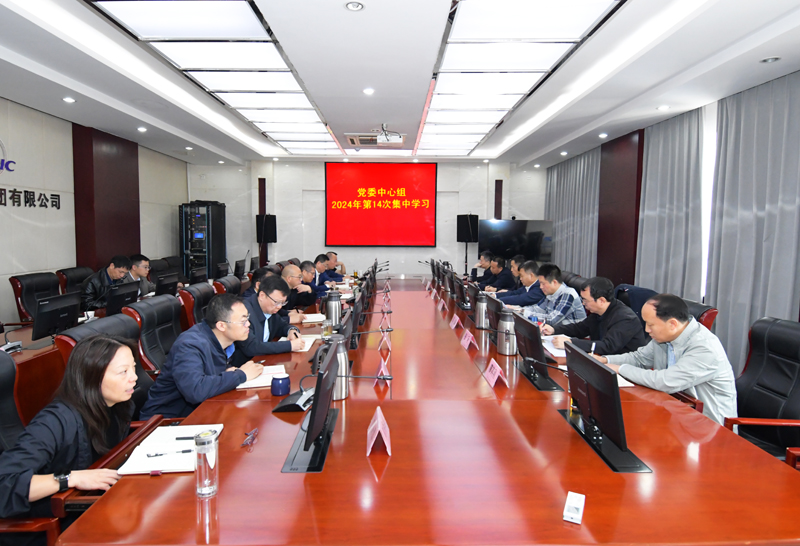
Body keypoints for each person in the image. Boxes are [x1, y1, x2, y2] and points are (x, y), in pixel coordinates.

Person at [0, 335, 139, 545]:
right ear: (92, 377)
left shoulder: (119, 406)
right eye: (123, 372)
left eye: (133, 368)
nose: (134, 377)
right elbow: (4, 485)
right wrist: (68, 479)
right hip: (49, 530)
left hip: (95, 511)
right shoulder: (54, 422)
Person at [595, 293, 738, 425]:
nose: (646, 330)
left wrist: (620, 369)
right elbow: (639, 358)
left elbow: (665, 381)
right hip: (675, 411)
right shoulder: (665, 337)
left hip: (709, 427)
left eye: (651, 324)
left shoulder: (705, 348)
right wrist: (606, 360)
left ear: (672, 324)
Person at [139, 294, 264, 419]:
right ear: (221, 326)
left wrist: (228, 373)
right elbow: (195, 391)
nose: (248, 324)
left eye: (247, 318)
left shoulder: (222, 341)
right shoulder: (190, 345)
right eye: (243, 321)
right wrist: (240, 375)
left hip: (201, 411)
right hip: (166, 421)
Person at [542, 276, 646, 355]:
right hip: (600, 359)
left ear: (601, 300)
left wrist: (570, 343)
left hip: (622, 367)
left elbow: (608, 346)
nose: (583, 303)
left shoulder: (625, 318)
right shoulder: (597, 312)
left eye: (585, 300)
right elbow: (580, 328)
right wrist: (554, 329)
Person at [230, 276, 304, 367]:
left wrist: (292, 330)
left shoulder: (269, 309)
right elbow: (251, 347)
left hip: (262, 361)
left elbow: (282, 325)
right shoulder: (244, 312)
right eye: (277, 302)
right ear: (262, 296)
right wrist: (289, 345)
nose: (279, 307)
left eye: (283, 303)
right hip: (242, 366)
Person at [522, 263, 586, 327]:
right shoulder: (550, 293)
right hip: (557, 330)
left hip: (573, 332)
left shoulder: (568, 294)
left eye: (543, 284)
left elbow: (551, 320)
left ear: (554, 282)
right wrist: (520, 310)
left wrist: (526, 313)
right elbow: (537, 309)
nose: (541, 287)